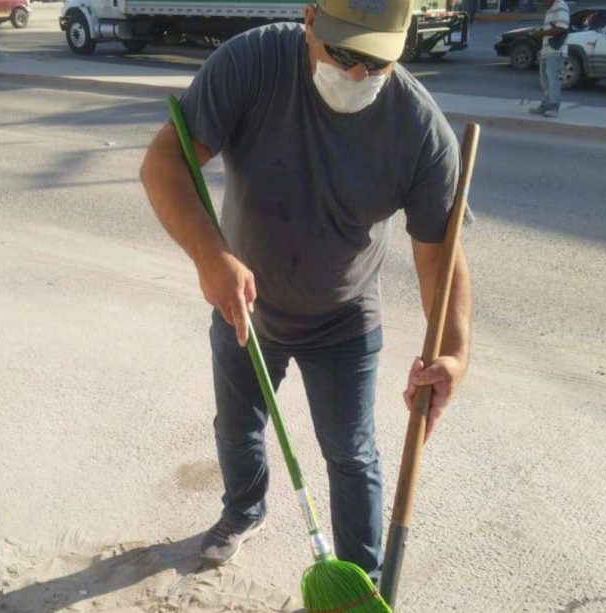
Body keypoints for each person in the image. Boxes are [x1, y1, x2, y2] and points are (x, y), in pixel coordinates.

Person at [140, 0, 472, 584]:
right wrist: (211, 257)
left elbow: (440, 261)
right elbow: (164, 162)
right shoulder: (254, 63)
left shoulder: (420, 131)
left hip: (344, 320)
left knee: (352, 455)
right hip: (243, 304)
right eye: (343, 53)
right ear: (311, 19)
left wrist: (453, 354)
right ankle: (244, 509)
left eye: (376, 62)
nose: (356, 76)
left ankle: (359, 580)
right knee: (237, 427)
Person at [530, 0, 570, 118]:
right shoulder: (550, 9)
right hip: (546, 50)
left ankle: (553, 107)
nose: (542, 2)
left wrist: (542, 34)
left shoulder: (560, 5)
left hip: (556, 50)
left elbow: (562, 28)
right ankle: (546, 104)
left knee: (553, 79)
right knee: (545, 79)